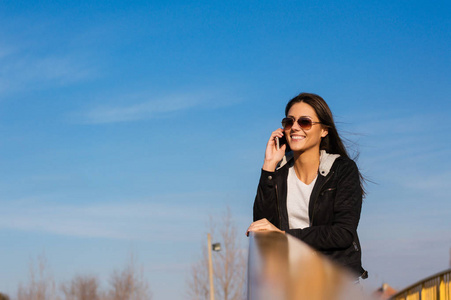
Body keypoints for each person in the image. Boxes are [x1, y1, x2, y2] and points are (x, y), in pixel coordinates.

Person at [246, 92, 367, 279]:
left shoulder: (342, 169)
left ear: (324, 130)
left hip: (336, 282)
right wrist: (268, 166)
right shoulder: (278, 173)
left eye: (304, 122)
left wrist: (284, 235)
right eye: (289, 122)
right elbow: (262, 228)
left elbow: (342, 233)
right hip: (290, 281)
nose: (294, 127)